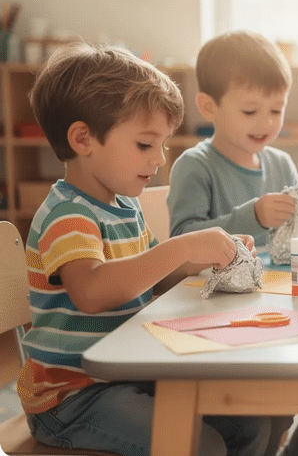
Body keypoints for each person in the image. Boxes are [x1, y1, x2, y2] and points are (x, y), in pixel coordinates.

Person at [16, 43, 272, 456]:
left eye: (163, 144)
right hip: (73, 397)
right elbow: (93, 292)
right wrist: (184, 244)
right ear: (83, 138)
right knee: (199, 444)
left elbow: (159, 275)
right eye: (144, 145)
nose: (159, 160)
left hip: (129, 372)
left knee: (249, 420)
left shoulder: (124, 205)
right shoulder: (68, 214)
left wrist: (207, 254)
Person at [168, 30, 298, 456]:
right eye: (250, 110)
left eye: (276, 109)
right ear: (209, 106)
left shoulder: (280, 161)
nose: (266, 122)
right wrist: (252, 214)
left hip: (276, 308)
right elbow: (181, 245)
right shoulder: (195, 166)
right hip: (214, 318)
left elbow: (293, 245)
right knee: (260, 416)